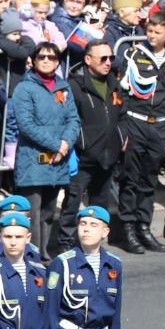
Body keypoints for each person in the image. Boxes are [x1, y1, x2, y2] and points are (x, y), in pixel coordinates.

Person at [55, 39, 122, 255]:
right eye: (103, 58)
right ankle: (65, 243)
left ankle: (93, 244)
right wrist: (80, 143)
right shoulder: (74, 85)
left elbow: (123, 112)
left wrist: (122, 136)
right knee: (73, 202)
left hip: (107, 155)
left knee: (100, 203)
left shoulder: (113, 81)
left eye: (111, 57)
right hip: (83, 157)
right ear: (88, 59)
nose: (108, 62)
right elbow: (67, 119)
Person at [11, 43, 80, 251]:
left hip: (58, 159)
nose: (46, 60)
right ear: (34, 60)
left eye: (51, 57)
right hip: (33, 159)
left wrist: (65, 145)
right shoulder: (24, 88)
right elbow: (27, 126)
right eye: (41, 57)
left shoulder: (63, 86)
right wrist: (57, 145)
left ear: (58, 61)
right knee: (33, 212)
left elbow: (74, 120)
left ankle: (43, 253)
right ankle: (32, 255)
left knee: (49, 211)